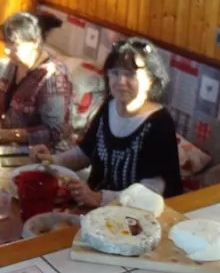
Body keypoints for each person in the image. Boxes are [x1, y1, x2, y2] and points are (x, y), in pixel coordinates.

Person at [30, 37, 183, 206]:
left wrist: (99, 198)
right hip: (96, 209)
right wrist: (51, 161)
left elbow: (152, 191)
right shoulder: (109, 106)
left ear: (151, 81)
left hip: (137, 216)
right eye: (115, 73)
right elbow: (84, 153)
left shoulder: (159, 123)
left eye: (130, 74)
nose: (121, 81)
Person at [0, 12, 72, 147]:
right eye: (6, 43)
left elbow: (54, 131)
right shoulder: (15, 63)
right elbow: (3, 99)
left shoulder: (52, 76)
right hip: (7, 144)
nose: (6, 51)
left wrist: (6, 135)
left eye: (14, 44)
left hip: (40, 152)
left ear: (35, 43)